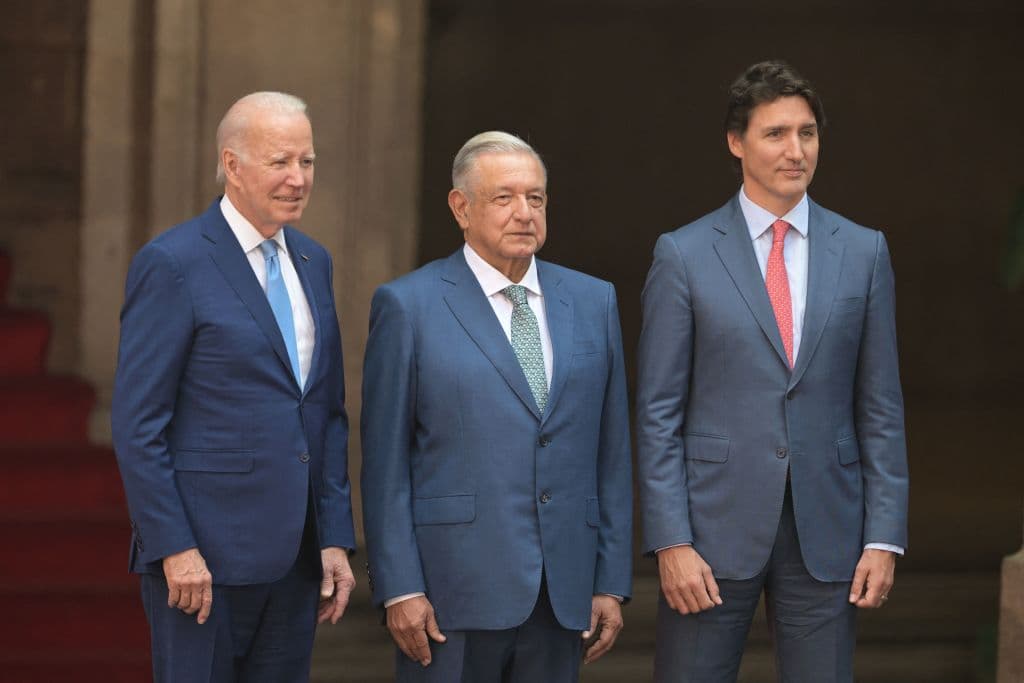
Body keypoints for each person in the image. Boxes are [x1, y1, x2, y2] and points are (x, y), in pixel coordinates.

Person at [637, 61, 909, 682]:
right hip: (708, 535)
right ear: (736, 143)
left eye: (807, 133)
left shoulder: (865, 251)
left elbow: (881, 405)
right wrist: (670, 541)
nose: (796, 150)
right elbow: (657, 412)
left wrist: (884, 535)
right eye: (776, 133)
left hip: (831, 531)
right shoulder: (682, 254)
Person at [360, 131, 633, 682]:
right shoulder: (408, 305)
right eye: (503, 197)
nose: (524, 212)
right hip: (450, 591)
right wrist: (400, 586)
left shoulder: (592, 300)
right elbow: (384, 463)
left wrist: (609, 579)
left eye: (536, 198)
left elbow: (612, 452)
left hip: (563, 590)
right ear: (461, 208)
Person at [111, 91, 355, 682]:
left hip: (296, 560)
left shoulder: (313, 261)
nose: (298, 179)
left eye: (308, 161)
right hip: (202, 563)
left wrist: (334, 538)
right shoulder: (173, 263)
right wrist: (174, 547)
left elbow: (323, 411)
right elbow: (138, 425)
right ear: (232, 163)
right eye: (281, 162)